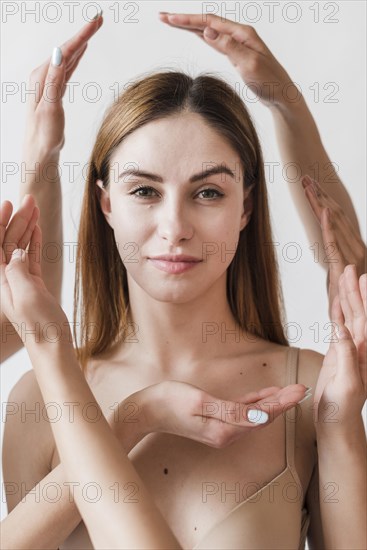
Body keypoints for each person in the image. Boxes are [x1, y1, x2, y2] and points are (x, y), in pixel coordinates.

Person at [1, 10, 366, 550]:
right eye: (144, 191)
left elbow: (348, 257)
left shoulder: (312, 394)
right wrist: (40, 157)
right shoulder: (37, 399)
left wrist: (285, 100)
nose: (175, 229)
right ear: (105, 204)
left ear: (246, 207)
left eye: (209, 192)